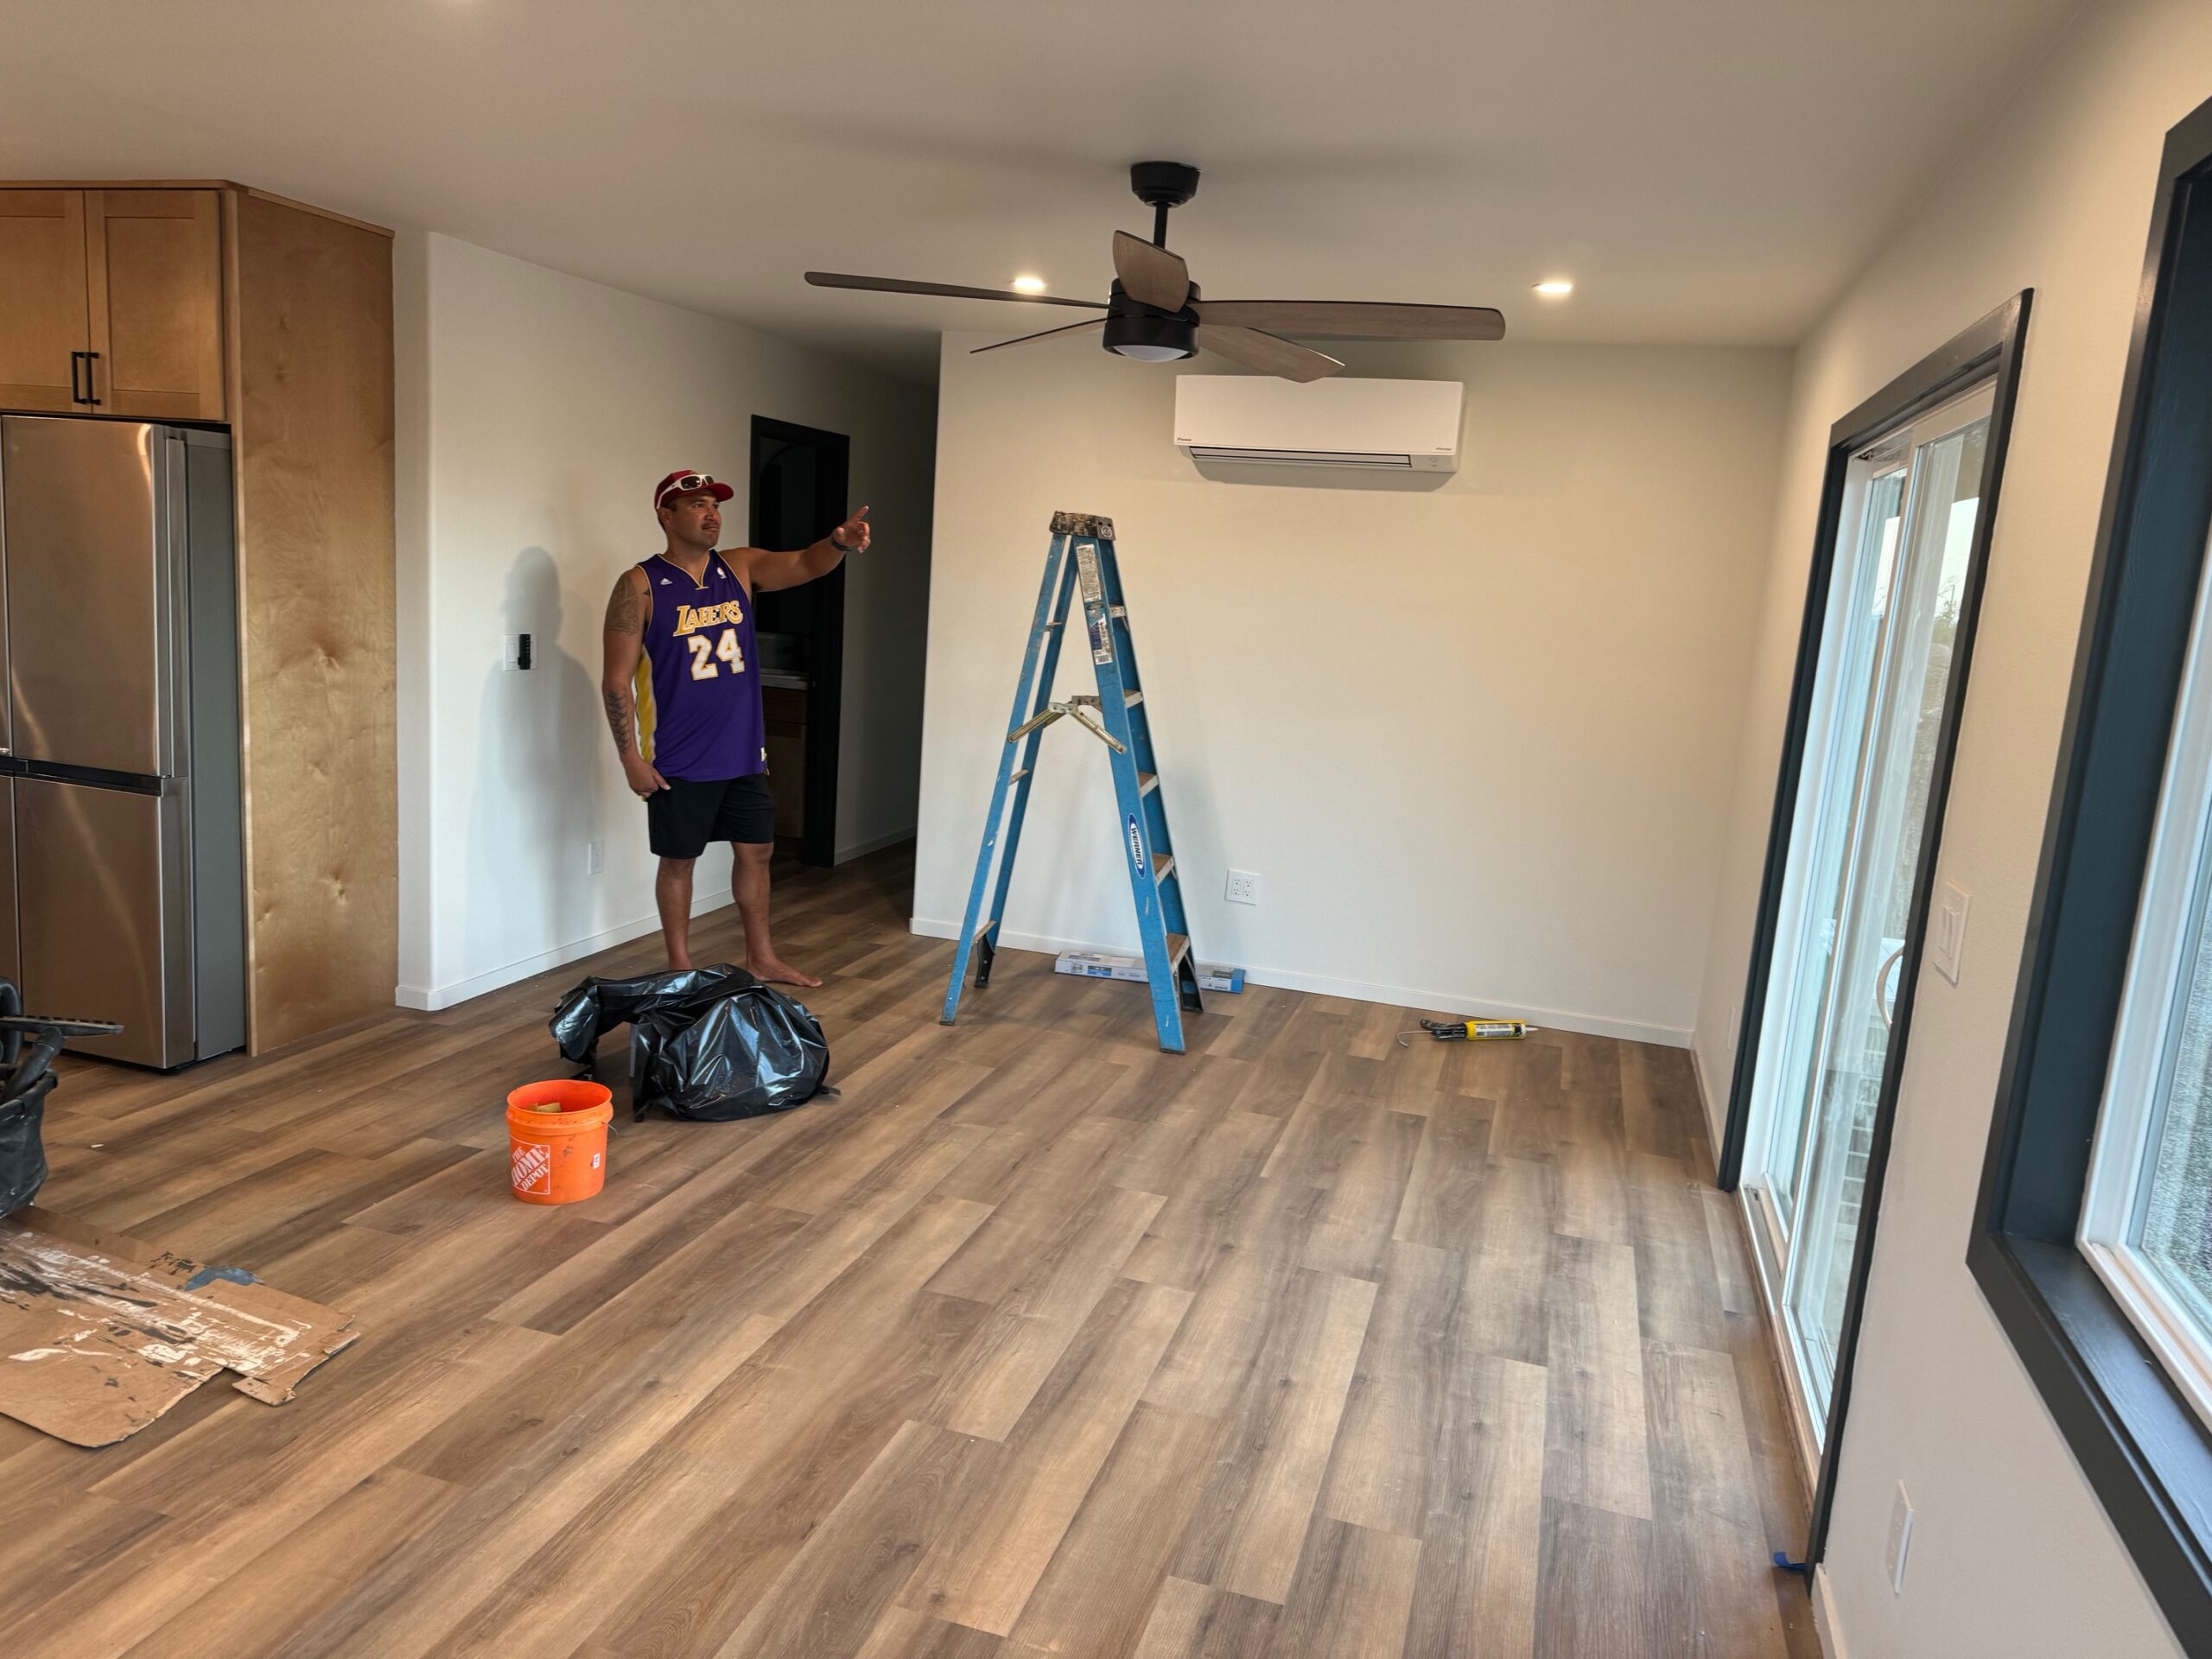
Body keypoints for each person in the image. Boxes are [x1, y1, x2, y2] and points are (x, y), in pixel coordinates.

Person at [601, 467, 872, 987]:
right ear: (666, 514)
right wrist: (630, 757)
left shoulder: (739, 567)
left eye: (715, 505)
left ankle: (762, 957)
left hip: (743, 749)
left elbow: (803, 564)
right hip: (678, 755)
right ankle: (680, 968)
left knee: (758, 851)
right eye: (697, 504)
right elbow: (617, 682)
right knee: (680, 861)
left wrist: (837, 543)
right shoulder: (640, 585)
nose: (711, 514)